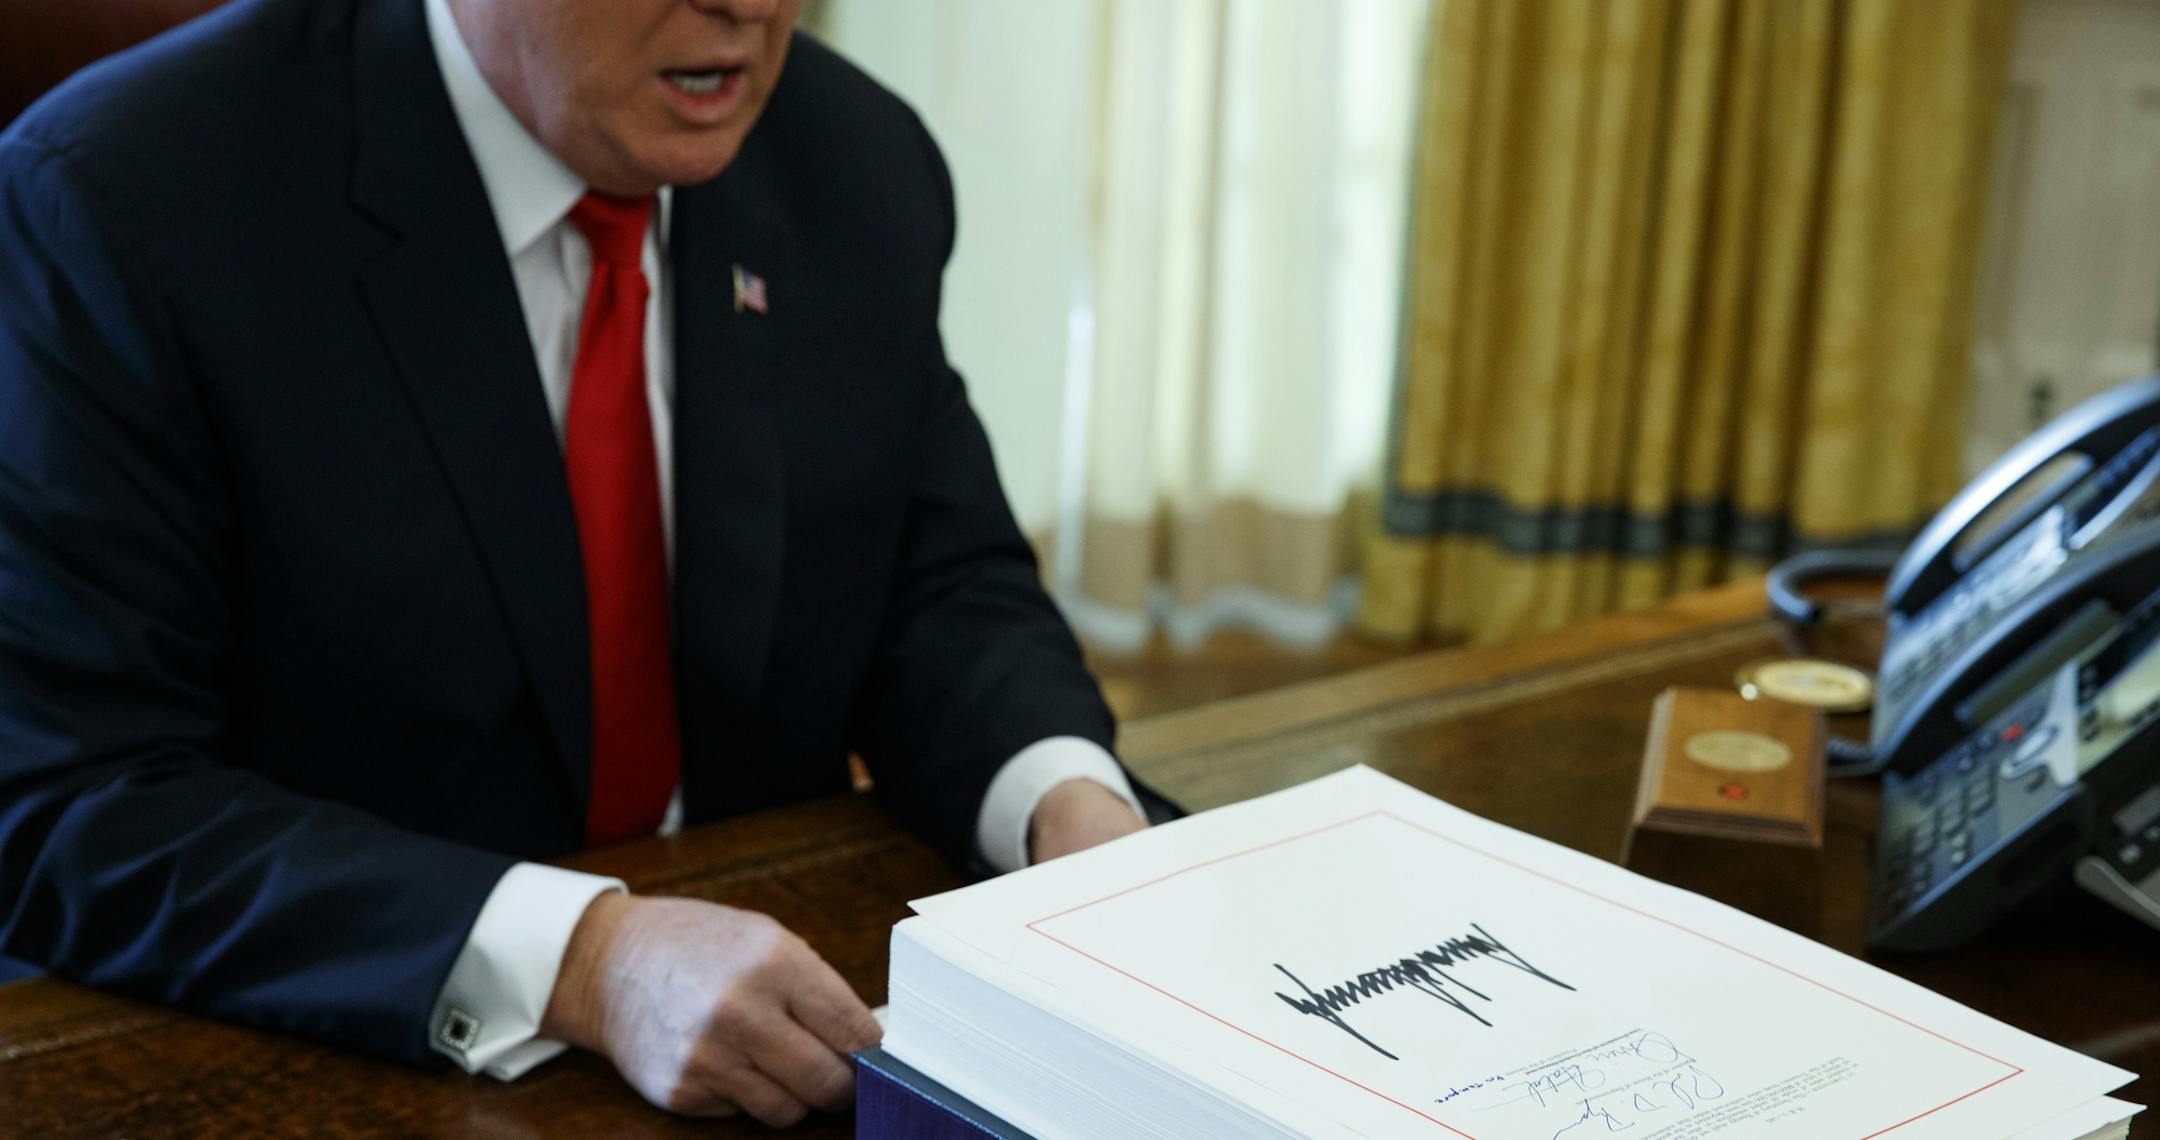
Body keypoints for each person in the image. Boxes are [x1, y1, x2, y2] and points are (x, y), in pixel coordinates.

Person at [0, 0, 1150, 1125]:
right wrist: (585, 960)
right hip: (312, 1049)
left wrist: (1066, 806)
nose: (749, 8)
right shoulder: (121, 198)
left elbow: (937, 584)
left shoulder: (853, 160)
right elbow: (72, 796)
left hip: (775, 1031)